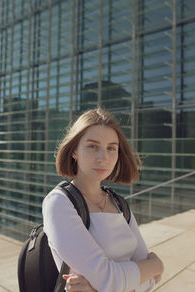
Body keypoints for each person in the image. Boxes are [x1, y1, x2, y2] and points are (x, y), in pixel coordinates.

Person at [42, 107, 164, 292]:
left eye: (111, 148)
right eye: (93, 146)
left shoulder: (119, 203)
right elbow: (115, 279)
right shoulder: (58, 203)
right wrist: (156, 266)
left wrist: (99, 288)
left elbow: (151, 281)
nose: (103, 157)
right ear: (74, 150)